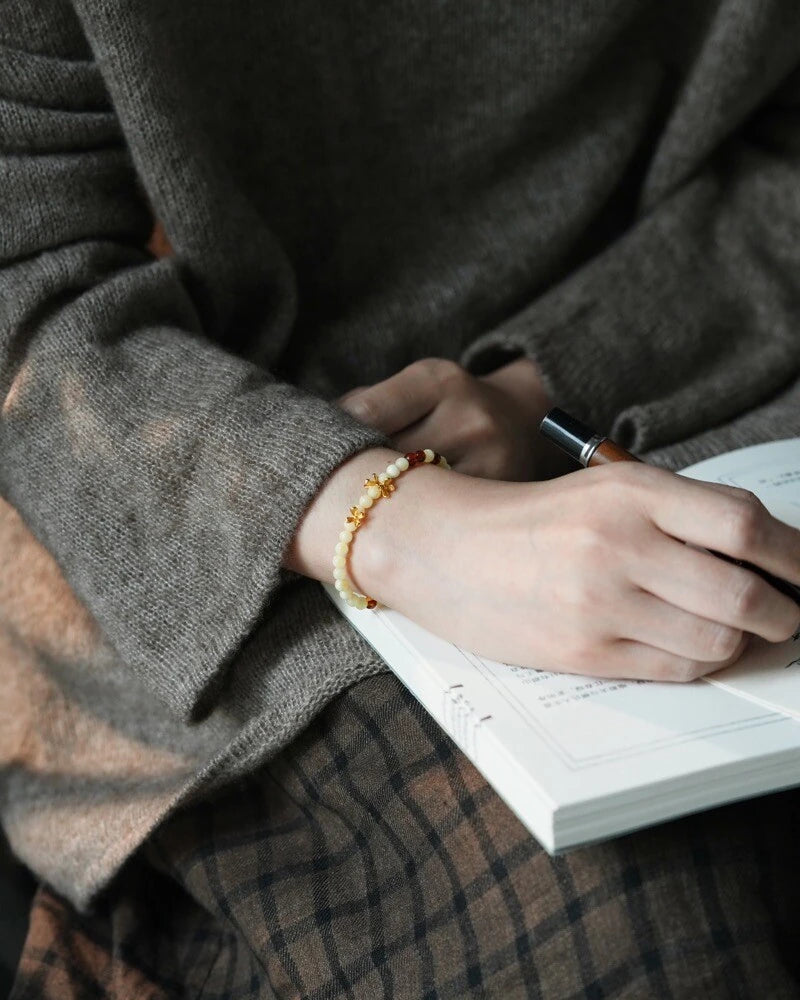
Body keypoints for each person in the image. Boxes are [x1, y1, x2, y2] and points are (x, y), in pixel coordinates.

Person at [3, 0, 800, 995]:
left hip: (701, 362)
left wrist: (537, 388)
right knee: (642, 930)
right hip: (207, 522)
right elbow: (25, 274)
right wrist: (386, 521)